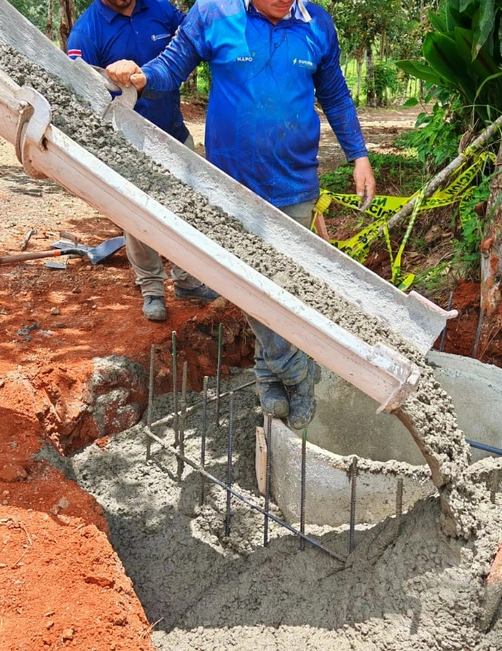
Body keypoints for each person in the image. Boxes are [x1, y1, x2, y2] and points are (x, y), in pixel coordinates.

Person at [105, 0, 376, 429]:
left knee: (285, 286)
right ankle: (295, 372)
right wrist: (138, 75)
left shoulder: (317, 22)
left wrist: (358, 155)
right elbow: (170, 68)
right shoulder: (214, 13)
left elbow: (336, 94)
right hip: (231, 187)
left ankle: (270, 376)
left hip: (296, 184)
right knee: (252, 284)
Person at [67, 0, 219, 323]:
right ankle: (151, 288)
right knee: (138, 219)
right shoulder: (86, 32)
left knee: (188, 210)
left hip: (174, 134)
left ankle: (187, 278)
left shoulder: (161, 10)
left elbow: (191, 40)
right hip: (128, 147)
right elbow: (78, 96)